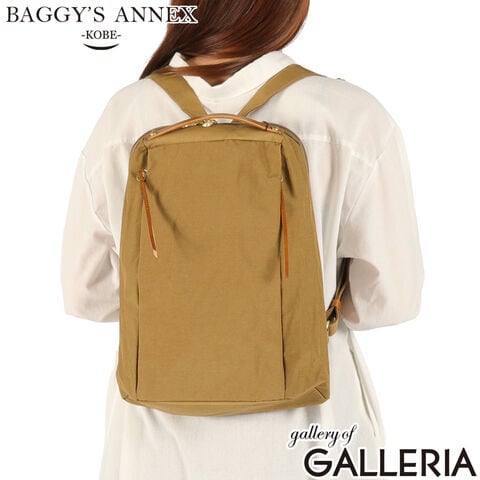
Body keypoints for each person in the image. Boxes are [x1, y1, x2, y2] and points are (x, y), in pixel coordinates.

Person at [60, 1, 424, 478]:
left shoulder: (125, 115)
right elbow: (391, 301)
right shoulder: (349, 116)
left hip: (156, 449)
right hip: (310, 441)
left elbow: (87, 295)